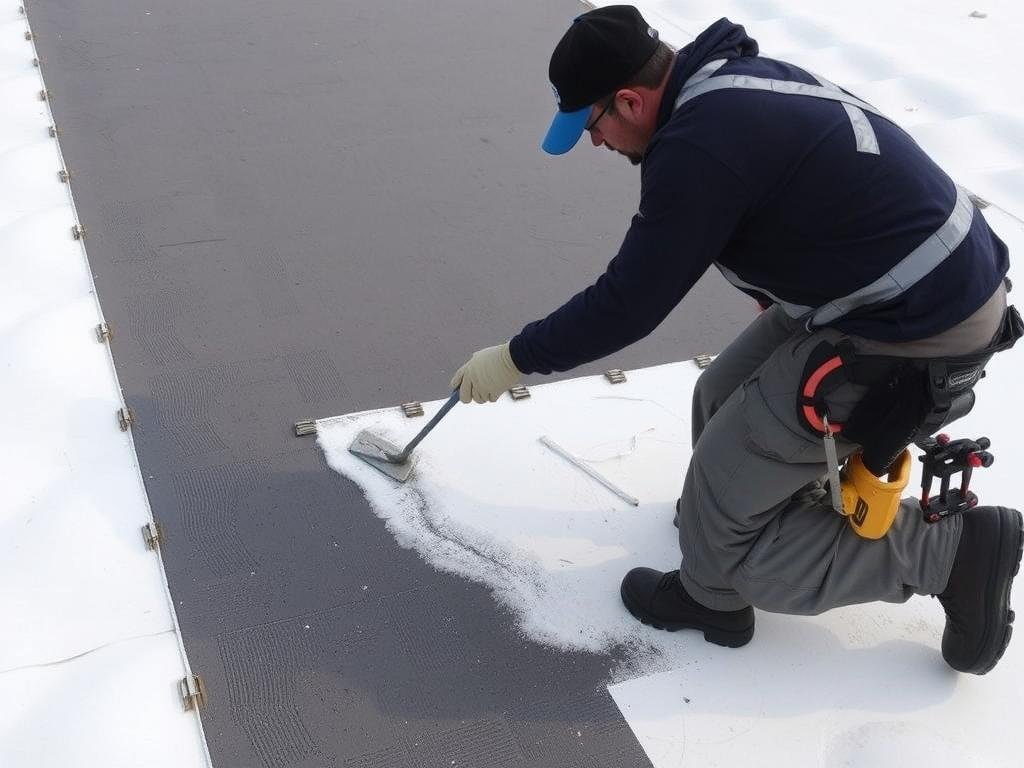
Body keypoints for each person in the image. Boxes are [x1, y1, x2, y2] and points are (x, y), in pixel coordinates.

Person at [449, 5, 1022, 674]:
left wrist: (516, 358)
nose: (596, 143)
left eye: (592, 126)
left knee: (726, 555)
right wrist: (768, 293)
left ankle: (946, 556)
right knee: (719, 396)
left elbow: (628, 302)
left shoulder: (700, 146)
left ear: (630, 101)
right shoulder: (726, 84)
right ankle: (745, 509)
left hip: (918, 328)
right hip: (908, 286)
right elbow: (790, 200)